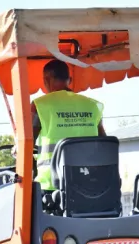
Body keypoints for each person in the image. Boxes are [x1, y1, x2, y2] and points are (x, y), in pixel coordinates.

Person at [31, 59, 107, 193]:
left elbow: (28, 141)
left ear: (46, 80)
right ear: (69, 80)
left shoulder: (39, 105)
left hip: (51, 184)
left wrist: (16, 148)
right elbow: (104, 144)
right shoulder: (93, 106)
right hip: (88, 180)